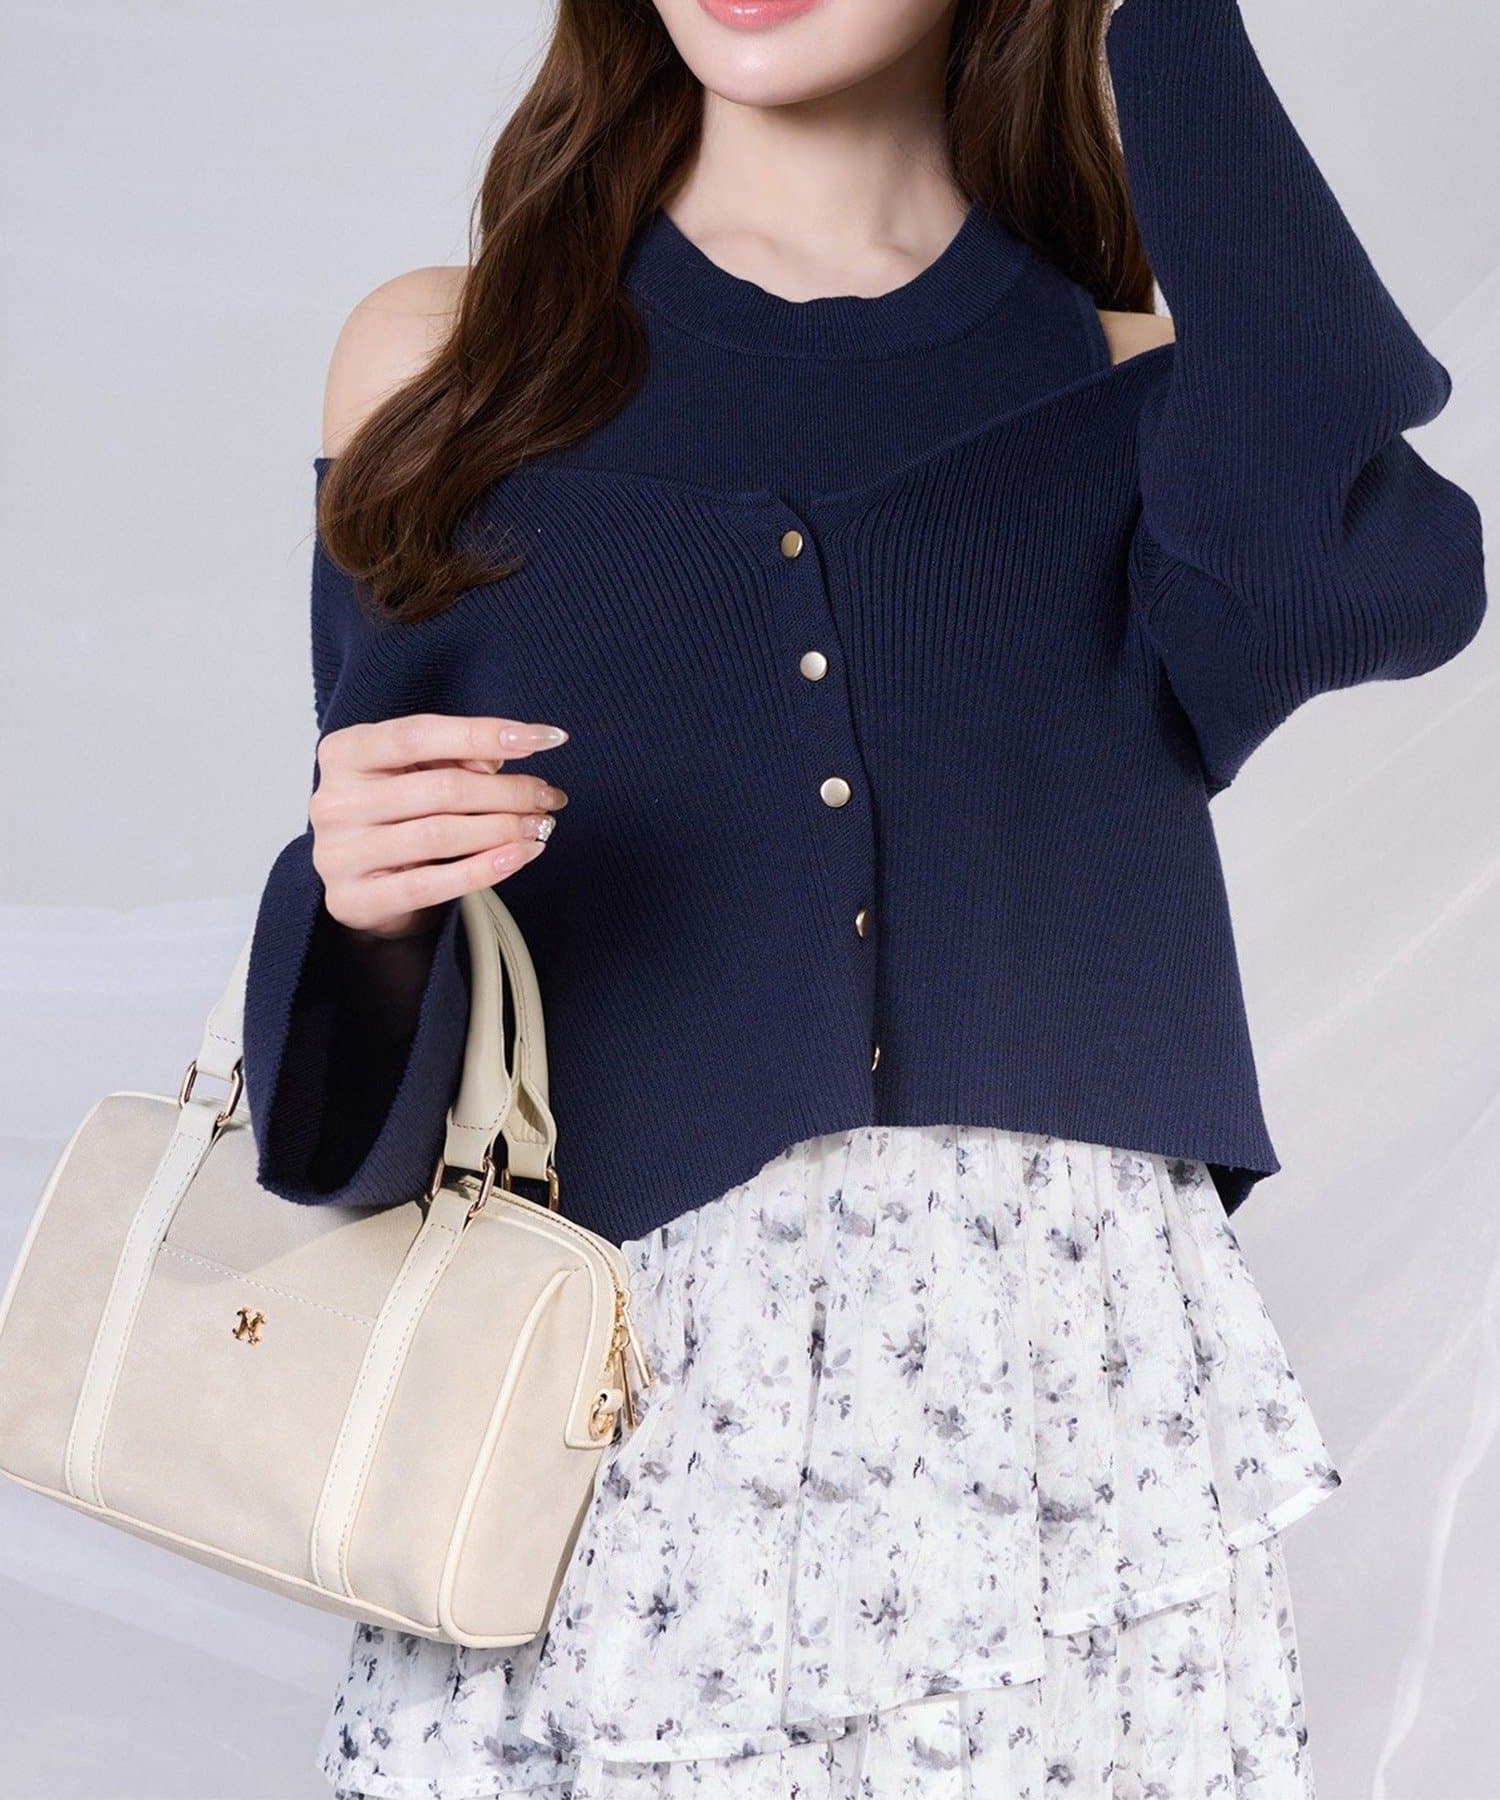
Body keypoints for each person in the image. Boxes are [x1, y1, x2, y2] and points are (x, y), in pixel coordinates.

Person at [239, 0, 1486, 1793]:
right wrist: (359, 910)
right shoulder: (447, 366)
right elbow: (375, 1110)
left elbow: (1368, 576)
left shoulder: (1140, 380)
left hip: (1064, 1448)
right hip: (606, 1455)